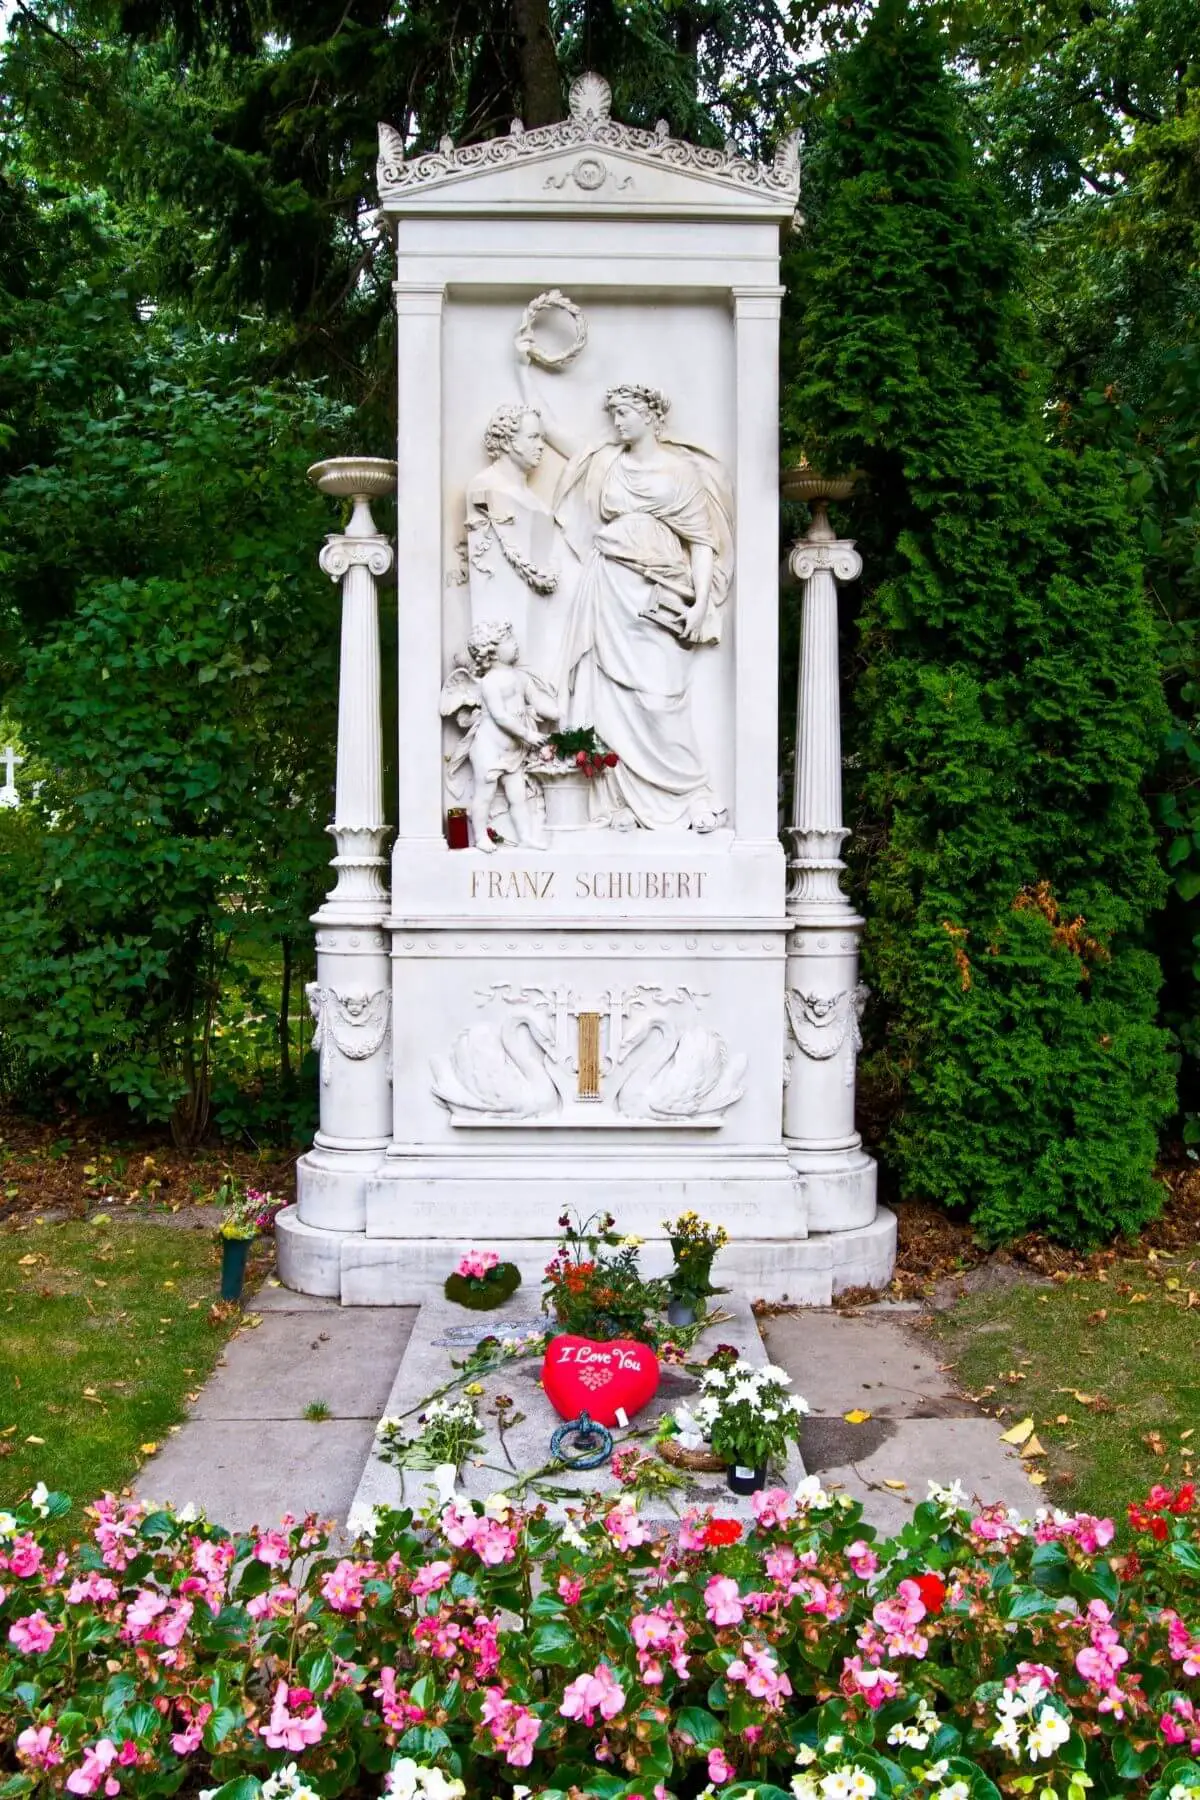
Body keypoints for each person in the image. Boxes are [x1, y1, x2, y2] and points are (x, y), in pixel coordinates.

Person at [518, 352, 734, 832]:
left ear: (651, 416)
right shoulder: (606, 463)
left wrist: (700, 604)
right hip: (609, 587)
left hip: (659, 592)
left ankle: (692, 793)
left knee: (660, 696)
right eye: (613, 414)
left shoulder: (679, 472)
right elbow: (552, 432)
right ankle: (615, 802)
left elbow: (701, 542)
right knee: (605, 694)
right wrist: (523, 369)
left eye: (624, 413)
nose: (616, 422)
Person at [439, 619, 560, 851]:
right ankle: (480, 836)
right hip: (489, 750)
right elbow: (500, 716)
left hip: (512, 752)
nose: (515, 644)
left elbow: (536, 700)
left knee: (518, 797)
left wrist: (556, 712)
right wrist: (528, 735)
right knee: (484, 795)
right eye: (508, 640)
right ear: (491, 651)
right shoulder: (489, 682)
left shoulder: (520, 677)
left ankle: (525, 837)